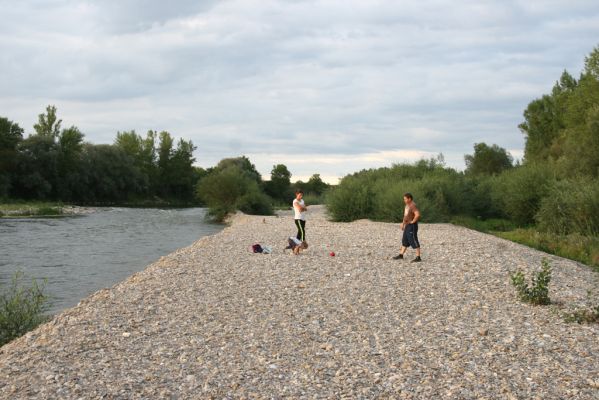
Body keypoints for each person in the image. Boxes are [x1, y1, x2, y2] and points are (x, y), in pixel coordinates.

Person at [393, 193, 422, 262]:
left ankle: (418, 257)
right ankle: (401, 255)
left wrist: (413, 221)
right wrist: (403, 224)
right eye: (404, 199)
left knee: (413, 240)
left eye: (405, 199)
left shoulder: (412, 205)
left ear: (409, 199)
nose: (404, 200)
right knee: (405, 240)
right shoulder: (407, 205)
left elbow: (417, 215)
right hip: (407, 225)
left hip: (412, 226)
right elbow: (405, 216)